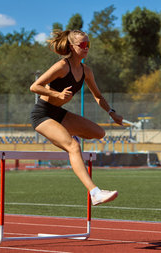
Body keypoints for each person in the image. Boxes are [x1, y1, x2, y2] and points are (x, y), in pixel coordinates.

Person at [30, 30, 123, 206]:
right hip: (42, 114)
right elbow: (35, 86)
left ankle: (60, 137)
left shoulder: (86, 71)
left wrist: (112, 112)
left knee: (99, 132)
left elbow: (98, 96)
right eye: (82, 45)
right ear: (72, 47)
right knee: (74, 146)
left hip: (59, 115)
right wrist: (56, 94)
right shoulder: (62, 66)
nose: (86, 48)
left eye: (88, 44)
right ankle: (95, 193)